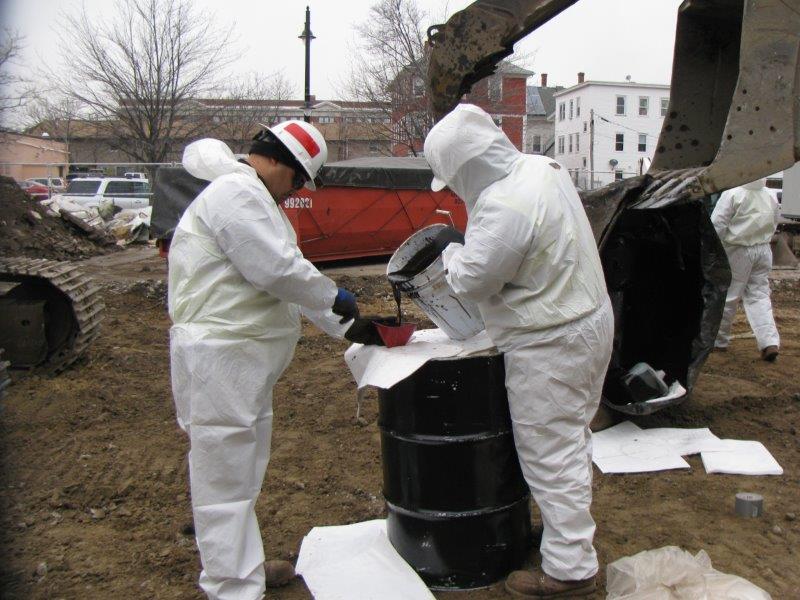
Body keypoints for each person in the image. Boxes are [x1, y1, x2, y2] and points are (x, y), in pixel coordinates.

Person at [168, 121, 378, 600]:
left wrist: (349, 324)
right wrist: (335, 296)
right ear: (281, 162)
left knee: (242, 472)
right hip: (220, 359)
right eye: (299, 180)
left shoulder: (252, 199)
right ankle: (231, 587)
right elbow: (278, 269)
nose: (297, 191)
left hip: (238, 363)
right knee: (224, 479)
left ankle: (242, 566)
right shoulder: (236, 195)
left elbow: (282, 279)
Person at [423, 104, 614, 598]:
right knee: (570, 439)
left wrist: (450, 252)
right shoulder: (539, 167)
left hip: (550, 341)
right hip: (587, 320)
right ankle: (566, 539)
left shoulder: (504, 204)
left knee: (549, 454)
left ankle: (571, 571)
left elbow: (472, 278)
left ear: (465, 168)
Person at [711, 178, 781, 361]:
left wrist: (712, 250)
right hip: (763, 249)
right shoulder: (770, 194)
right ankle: (769, 342)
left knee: (728, 296)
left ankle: (719, 341)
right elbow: (775, 222)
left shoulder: (733, 194)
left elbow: (717, 224)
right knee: (759, 295)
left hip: (738, 250)